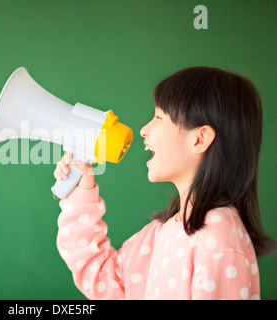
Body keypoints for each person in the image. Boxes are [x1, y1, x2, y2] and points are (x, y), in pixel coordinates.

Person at [54, 66, 276, 300]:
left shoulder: (218, 242)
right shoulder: (167, 229)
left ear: (199, 139)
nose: (143, 130)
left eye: (159, 116)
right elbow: (106, 279)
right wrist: (82, 191)